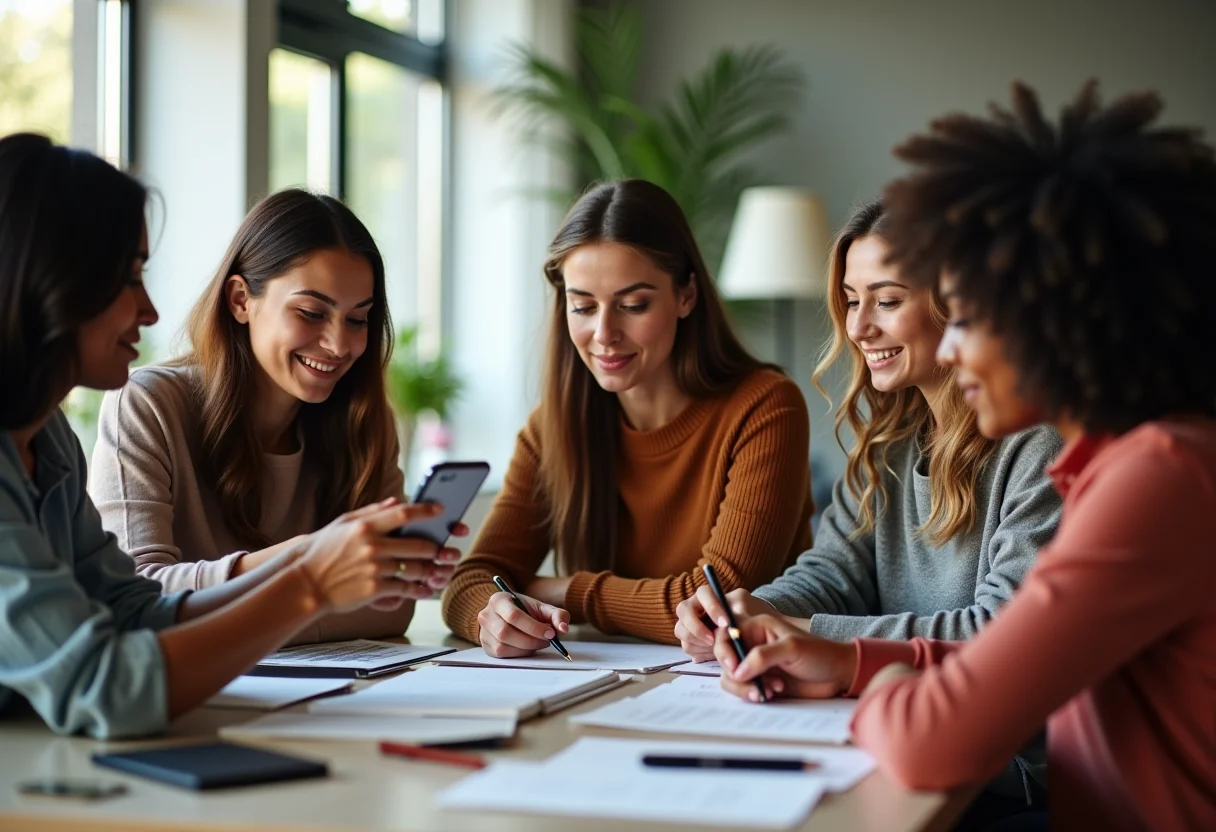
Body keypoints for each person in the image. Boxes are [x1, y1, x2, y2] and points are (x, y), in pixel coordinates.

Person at [711, 82, 1216, 831]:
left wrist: (867, 684)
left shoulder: (1158, 478)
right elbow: (1008, 658)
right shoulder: (1136, 463)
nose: (948, 346)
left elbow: (929, 738)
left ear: (1056, 319)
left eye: (969, 317)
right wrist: (851, 662)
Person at [0, 134, 456, 739]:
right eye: (127, 277)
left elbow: (134, 609)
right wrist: (311, 579)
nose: (151, 310)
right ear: (51, 282)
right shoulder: (142, 404)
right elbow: (108, 687)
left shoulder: (47, 437)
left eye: (359, 319)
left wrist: (318, 559)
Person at [442, 179, 814, 653]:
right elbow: (469, 583)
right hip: (602, 686)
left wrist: (560, 590)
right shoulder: (552, 427)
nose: (604, 333)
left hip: (739, 689)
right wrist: (492, 617)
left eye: (633, 305)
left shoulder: (765, 407)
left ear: (686, 296)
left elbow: (716, 605)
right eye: (582, 306)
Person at [89, 189, 447, 643]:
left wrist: (255, 602)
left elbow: (390, 610)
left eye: (358, 319)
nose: (340, 345)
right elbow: (136, 598)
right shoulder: (146, 405)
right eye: (311, 312)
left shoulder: (363, 419)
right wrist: (312, 564)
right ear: (240, 300)